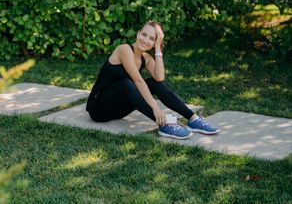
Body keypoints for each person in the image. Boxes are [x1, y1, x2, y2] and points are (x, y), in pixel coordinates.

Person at [86, 21, 220, 139]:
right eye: (144, 35)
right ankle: (165, 124)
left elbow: (159, 78)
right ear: (138, 34)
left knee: (154, 83)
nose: (145, 40)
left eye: (151, 39)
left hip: (118, 111)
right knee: (126, 84)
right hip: (99, 110)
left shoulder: (145, 58)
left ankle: (193, 119)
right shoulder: (124, 49)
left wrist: (157, 47)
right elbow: (138, 81)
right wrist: (155, 108)